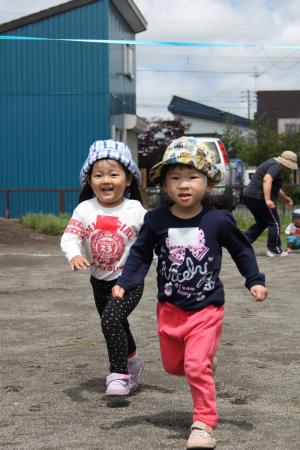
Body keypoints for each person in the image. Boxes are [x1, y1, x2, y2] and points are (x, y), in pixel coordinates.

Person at [112, 136, 268, 449]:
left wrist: (254, 278)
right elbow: (141, 254)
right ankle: (202, 364)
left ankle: (203, 424)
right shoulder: (155, 221)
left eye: (193, 177)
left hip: (206, 310)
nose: (184, 185)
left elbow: (241, 249)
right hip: (169, 310)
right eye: (175, 178)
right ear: (165, 185)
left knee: (195, 366)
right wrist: (125, 281)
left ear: (208, 184)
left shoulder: (217, 220)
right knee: (174, 367)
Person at [61, 139, 146, 396]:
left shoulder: (135, 210)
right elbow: (70, 237)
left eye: (113, 174)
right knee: (117, 324)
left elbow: (153, 239)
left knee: (110, 322)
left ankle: (119, 374)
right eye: (98, 175)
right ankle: (134, 363)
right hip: (99, 281)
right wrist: (74, 254)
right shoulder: (84, 209)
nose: (105, 180)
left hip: (129, 280)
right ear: (89, 180)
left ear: (128, 179)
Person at [243, 150, 298, 257]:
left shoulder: (273, 164)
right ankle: (273, 249)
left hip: (250, 196)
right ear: (286, 163)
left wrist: (286, 199)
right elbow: (267, 180)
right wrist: (268, 199)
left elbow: (275, 188)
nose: (290, 169)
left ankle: (242, 242)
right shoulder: (275, 166)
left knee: (263, 222)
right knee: (274, 223)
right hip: (259, 198)